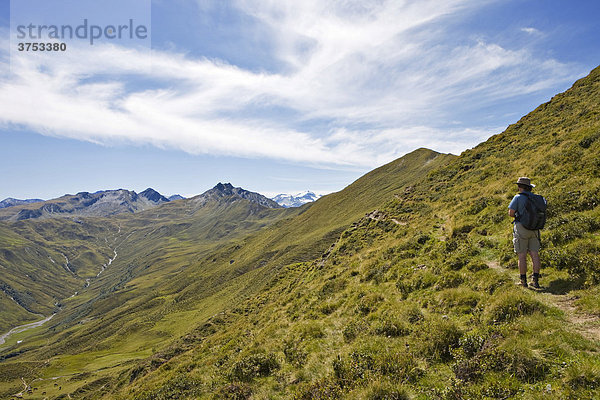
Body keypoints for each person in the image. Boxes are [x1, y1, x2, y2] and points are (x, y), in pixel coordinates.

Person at [508, 177, 541, 288]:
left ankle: (523, 281)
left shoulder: (518, 197)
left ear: (520, 186)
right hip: (535, 228)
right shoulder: (536, 198)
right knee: (534, 254)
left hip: (521, 227)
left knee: (522, 255)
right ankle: (535, 280)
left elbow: (511, 213)